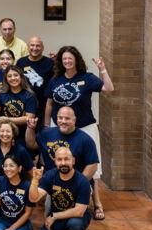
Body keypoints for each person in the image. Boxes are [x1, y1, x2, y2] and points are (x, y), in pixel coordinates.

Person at [44, 46, 113, 220]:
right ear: (60, 61)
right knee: (61, 163)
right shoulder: (56, 79)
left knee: (91, 167)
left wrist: (102, 69)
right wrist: (47, 127)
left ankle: (97, 202)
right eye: (64, 59)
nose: (67, 61)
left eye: (70, 58)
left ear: (76, 59)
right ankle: (62, 199)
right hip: (60, 126)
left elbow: (109, 88)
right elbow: (50, 104)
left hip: (85, 127)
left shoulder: (87, 78)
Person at [30, 147, 91, 230]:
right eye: (59, 159)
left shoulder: (82, 181)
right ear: (55, 161)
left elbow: (79, 211)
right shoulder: (50, 176)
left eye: (66, 159)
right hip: (57, 218)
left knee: (75, 225)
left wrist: (54, 216)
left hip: (76, 217)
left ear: (73, 160)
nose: (63, 163)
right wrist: (34, 181)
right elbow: (34, 199)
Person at [0, 65, 37, 143]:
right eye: (9, 76)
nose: (13, 78)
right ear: (6, 79)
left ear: (21, 77)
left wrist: (7, 119)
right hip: (2, 134)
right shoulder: (2, 93)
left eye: (16, 75)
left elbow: (28, 119)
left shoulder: (29, 95)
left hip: (21, 135)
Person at [16, 36, 54, 115]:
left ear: (42, 48)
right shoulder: (21, 62)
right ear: (28, 47)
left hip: (44, 105)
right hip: (25, 104)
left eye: (38, 46)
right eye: (32, 45)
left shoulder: (50, 62)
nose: (35, 48)